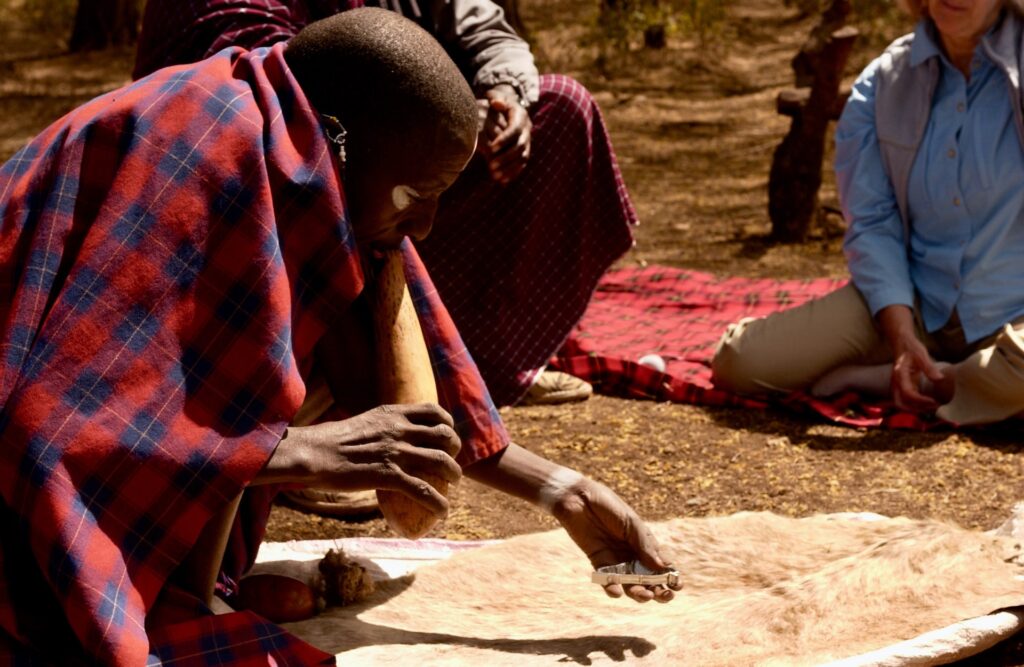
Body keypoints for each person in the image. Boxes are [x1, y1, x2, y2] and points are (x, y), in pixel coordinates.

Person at [0, 9, 673, 665]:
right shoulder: (208, 152)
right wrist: (305, 452)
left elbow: (430, 382)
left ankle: (194, 588)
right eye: (418, 196)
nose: (430, 224)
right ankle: (178, 597)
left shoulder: (307, 151)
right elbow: (54, 426)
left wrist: (567, 492)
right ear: (341, 141)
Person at [133, 0, 639, 410]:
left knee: (562, 108)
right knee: (308, 164)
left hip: (378, 159)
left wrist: (500, 99)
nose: (424, 228)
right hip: (258, 174)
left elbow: (484, 31)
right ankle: (315, 407)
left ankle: (478, 364)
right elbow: (279, 94)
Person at [711, 0, 1024, 426]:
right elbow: (873, 221)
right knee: (741, 363)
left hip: (1015, 313)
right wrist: (901, 337)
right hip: (915, 303)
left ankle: (934, 382)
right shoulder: (883, 82)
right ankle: (948, 374)